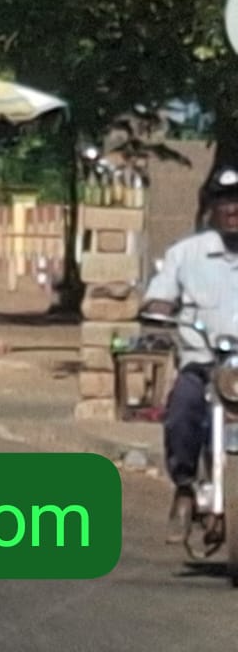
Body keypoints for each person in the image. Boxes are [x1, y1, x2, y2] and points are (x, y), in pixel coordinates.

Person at [144, 165, 238, 539]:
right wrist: (158, 306)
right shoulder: (186, 254)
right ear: (210, 209)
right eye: (224, 201)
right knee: (182, 411)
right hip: (204, 364)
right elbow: (159, 295)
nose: (233, 209)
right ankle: (185, 485)